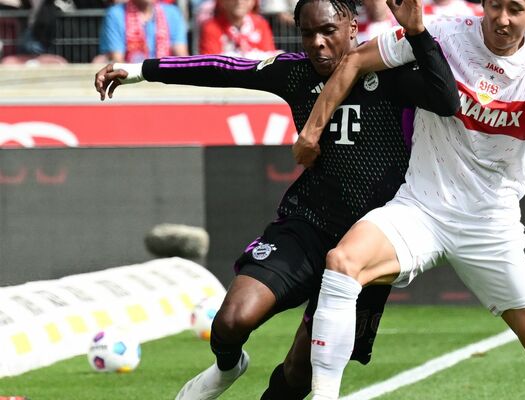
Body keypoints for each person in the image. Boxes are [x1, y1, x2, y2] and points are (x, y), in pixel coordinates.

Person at [93, 0, 459, 398]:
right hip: (308, 224)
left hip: (370, 240)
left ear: (353, 27)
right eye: (307, 33)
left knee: (300, 371)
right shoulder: (295, 73)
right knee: (231, 320)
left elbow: (445, 99)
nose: (317, 44)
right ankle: (227, 368)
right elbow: (224, 69)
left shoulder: (387, 73)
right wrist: (140, 70)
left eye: (328, 31)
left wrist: (419, 34)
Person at [293, 0, 525, 398]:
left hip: (491, 223)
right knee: (342, 263)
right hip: (422, 208)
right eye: (495, 5)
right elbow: (355, 59)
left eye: (515, 9)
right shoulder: (445, 33)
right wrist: (311, 132)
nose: (502, 18)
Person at [98, 0, 188, 63]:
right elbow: (118, 61)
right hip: (131, 81)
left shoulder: (172, 13)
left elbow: (182, 57)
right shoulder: (115, 14)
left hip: (166, 80)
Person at [199, 0, 279, 58]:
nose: (239, 2)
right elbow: (210, 62)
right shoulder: (211, 27)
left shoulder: (261, 24)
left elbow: (270, 57)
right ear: (222, 2)